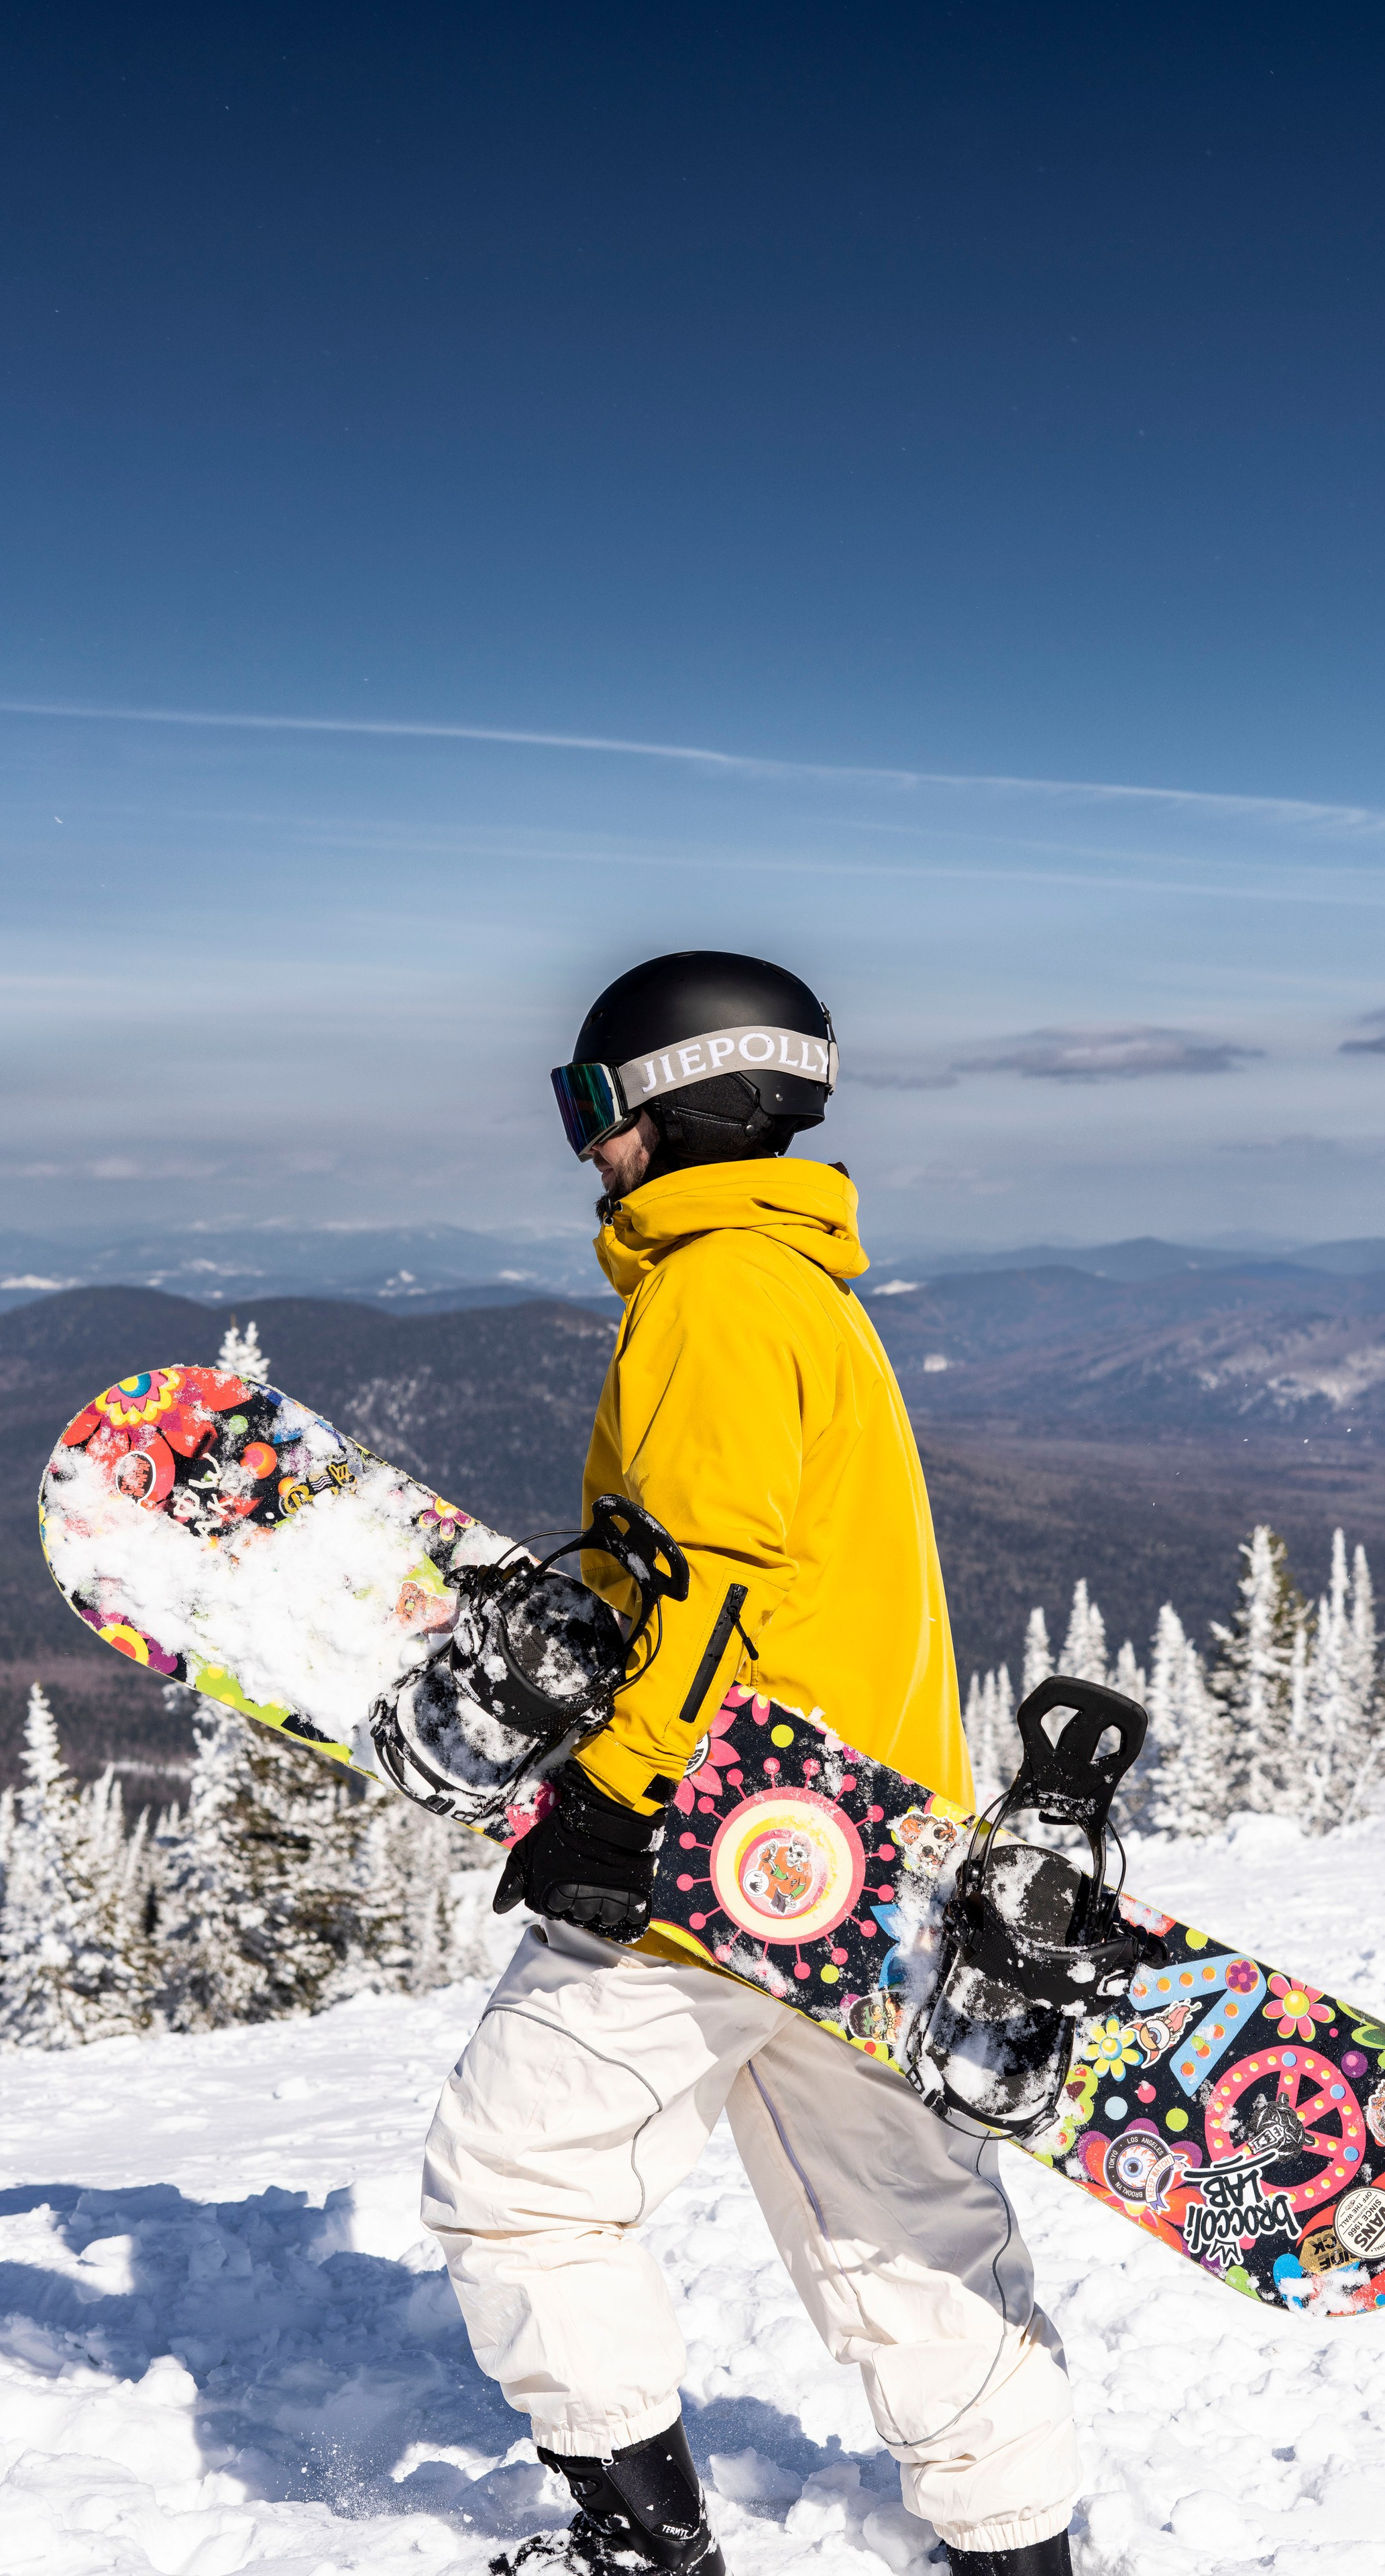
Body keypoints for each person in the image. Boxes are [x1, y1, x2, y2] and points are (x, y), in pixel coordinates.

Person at [422, 952, 1079, 2576]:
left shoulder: (709, 1289)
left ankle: (638, 2545)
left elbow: (704, 1577)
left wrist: (611, 1799)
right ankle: (1016, 2546)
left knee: (519, 2176)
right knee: (893, 2223)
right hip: (865, 1845)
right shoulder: (802, 1289)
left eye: (587, 1105)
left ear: (666, 1099)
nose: (582, 1147)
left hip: (723, 1840)